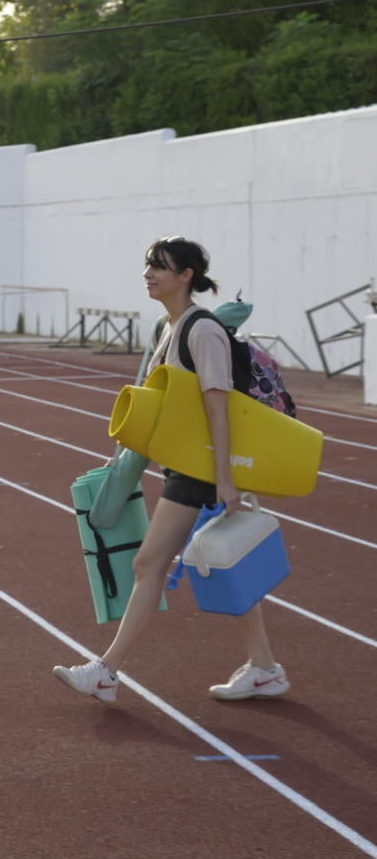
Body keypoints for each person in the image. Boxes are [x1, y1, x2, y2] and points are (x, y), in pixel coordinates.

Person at [54, 237, 288, 704]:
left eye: (160, 267)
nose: (148, 273)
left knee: (149, 564)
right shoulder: (170, 324)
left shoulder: (200, 331)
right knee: (222, 564)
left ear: (186, 276)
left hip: (201, 468)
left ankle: (105, 672)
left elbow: (218, 409)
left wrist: (225, 480)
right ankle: (265, 667)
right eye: (147, 265)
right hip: (187, 461)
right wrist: (126, 453)